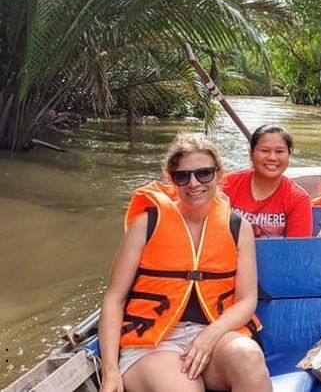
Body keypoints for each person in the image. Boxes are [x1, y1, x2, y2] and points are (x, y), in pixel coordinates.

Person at [98, 134, 270, 392]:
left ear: (219, 175)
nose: (193, 183)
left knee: (249, 356)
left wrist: (210, 335)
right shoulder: (146, 224)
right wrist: (110, 370)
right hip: (153, 344)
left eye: (203, 174)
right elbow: (114, 298)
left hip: (215, 335)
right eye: (183, 176)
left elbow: (246, 300)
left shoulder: (238, 227)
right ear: (171, 179)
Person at [222, 124, 312, 238]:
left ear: (289, 155)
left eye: (279, 151)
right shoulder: (226, 185)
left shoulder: (298, 199)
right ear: (251, 154)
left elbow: (297, 250)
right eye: (264, 151)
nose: (272, 158)